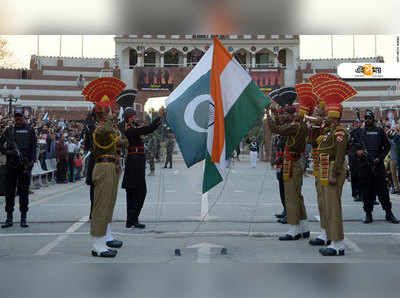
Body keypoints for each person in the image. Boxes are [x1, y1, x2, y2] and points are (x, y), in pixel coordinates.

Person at [267, 87, 309, 241]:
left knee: (291, 197)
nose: (283, 115)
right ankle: (304, 228)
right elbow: (280, 126)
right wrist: (275, 114)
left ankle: (293, 230)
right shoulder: (299, 125)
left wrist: (268, 114)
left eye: (285, 113)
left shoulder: (294, 126)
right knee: (298, 197)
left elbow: (275, 128)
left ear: (291, 114)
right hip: (295, 162)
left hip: (292, 163)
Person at [351, 109, 399, 224]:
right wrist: (358, 152)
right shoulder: (360, 132)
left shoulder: (379, 131)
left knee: (383, 192)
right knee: (367, 192)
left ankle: (389, 213)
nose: (367, 120)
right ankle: (368, 214)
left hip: (378, 166)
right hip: (365, 166)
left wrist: (380, 158)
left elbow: (386, 146)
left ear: (373, 119)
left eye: (369, 118)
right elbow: (352, 145)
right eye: (366, 118)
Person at [90, 104, 125, 257]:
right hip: (103, 167)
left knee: (108, 205)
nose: (113, 114)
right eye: (110, 112)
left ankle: (103, 240)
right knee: (101, 207)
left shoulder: (109, 128)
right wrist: (112, 120)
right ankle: (97, 245)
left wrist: (118, 127)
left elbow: (124, 142)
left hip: (111, 166)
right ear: (103, 115)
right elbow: (106, 131)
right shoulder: (100, 129)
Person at [122, 108, 161, 229]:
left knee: (136, 192)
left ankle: (133, 219)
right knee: (135, 192)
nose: (135, 118)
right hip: (134, 162)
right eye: (133, 116)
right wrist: (155, 123)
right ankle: (132, 219)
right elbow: (145, 130)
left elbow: (145, 130)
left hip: (138, 161)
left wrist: (154, 125)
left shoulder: (134, 128)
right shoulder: (129, 129)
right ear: (128, 118)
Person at [0, 107, 37, 228]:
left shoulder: (30, 130)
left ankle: (23, 217)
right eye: (16, 116)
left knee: (23, 193)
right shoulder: (9, 131)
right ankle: (9, 218)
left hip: (24, 166)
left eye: (20, 116)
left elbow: (33, 148)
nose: (18, 119)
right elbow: (1, 146)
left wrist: (30, 164)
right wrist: (8, 152)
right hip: (11, 165)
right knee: (9, 193)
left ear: (23, 117)